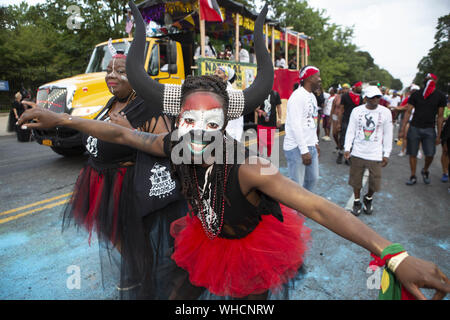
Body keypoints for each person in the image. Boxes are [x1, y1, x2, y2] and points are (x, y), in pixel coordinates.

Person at [19, 2, 450, 300]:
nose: (198, 135)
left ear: (225, 125)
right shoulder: (175, 145)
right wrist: (63, 120)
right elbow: (122, 136)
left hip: (252, 246)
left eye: (211, 123)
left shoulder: (249, 168)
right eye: (189, 121)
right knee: (180, 294)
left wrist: (394, 254)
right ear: (179, 121)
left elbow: (319, 208)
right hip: (203, 239)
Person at [23, 45, 189, 299]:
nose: (112, 75)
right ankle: (136, 270)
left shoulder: (149, 106)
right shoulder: (113, 101)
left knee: (140, 245)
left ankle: (147, 282)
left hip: (130, 189)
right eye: (108, 69)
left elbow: (165, 147)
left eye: (120, 71)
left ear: (138, 77)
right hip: (102, 185)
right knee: (118, 239)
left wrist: (132, 132)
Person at [344, 86, 393, 216]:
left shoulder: (385, 112)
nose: (376, 100)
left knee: (375, 182)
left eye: (378, 97)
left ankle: (368, 198)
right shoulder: (356, 111)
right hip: (358, 152)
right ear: (365, 98)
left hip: (375, 154)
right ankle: (356, 201)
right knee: (356, 180)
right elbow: (351, 130)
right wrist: (347, 148)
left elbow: (388, 134)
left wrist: (386, 153)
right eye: (372, 97)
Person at [399, 73, 446, 185]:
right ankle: (413, 176)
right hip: (414, 127)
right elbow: (408, 111)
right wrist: (402, 129)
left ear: (435, 81)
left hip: (429, 129)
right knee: (412, 153)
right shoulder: (416, 95)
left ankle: (425, 170)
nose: (428, 81)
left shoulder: (440, 96)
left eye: (430, 79)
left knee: (430, 154)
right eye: (427, 79)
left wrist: (439, 135)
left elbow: (440, 117)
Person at [283, 65, 321, 192]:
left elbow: (312, 121)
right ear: (309, 78)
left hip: (309, 145)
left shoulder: (312, 97)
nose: (320, 80)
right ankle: (295, 210)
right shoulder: (297, 96)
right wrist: (304, 150)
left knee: (313, 180)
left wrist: (315, 142)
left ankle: (302, 206)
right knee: (296, 185)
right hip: (296, 147)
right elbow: (295, 125)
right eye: (318, 76)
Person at [214, 65, 244, 142]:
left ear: (226, 77)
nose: (215, 74)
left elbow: (239, 120)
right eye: (215, 72)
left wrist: (237, 139)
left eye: (219, 73)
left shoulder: (234, 94)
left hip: (229, 135)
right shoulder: (211, 90)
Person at [336, 81, 363, 165]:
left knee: (353, 139)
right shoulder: (345, 96)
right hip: (346, 120)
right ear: (354, 87)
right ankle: (340, 153)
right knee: (343, 138)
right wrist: (339, 123)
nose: (361, 88)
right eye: (360, 86)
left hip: (356, 122)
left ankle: (348, 157)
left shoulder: (361, 98)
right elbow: (341, 109)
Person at [256, 89, 282, 157]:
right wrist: (261, 112)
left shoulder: (275, 94)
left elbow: (279, 107)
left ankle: (268, 158)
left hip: (272, 123)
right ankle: (261, 158)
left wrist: (279, 119)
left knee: (270, 144)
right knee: (261, 143)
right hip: (262, 123)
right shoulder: (260, 94)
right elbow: (256, 108)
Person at [330, 84, 349, 152]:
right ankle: (338, 145)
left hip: (344, 117)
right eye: (344, 88)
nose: (345, 90)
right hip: (336, 116)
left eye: (347, 88)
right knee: (334, 133)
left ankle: (342, 148)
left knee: (342, 133)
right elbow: (333, 107)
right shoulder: (337, 97)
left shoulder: (349, 98)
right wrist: (330, 117)